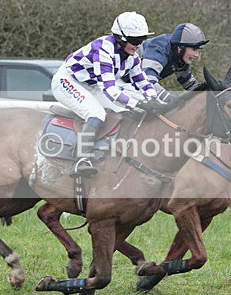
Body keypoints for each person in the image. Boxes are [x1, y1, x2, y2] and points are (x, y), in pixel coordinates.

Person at [50, 11, 161, 177]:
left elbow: (142, 81)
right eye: (135, 41)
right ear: (120, 37)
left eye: (142, 40)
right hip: (68, 81)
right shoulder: (103, 49)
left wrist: (154, 99)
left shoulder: (132, 56)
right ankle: (81, 159)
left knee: (124, 112)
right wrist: (137, 103)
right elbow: (111, 91)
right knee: (96, 114)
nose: (138, 45)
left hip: (91, 85)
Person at [138, 22, 209, 101]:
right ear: (180, 47)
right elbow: (147, 81)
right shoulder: (159, 49)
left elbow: (189, 84)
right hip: (125, 79)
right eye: (194, 49)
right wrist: (169, 99)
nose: (197, 55)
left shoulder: (180, 56)